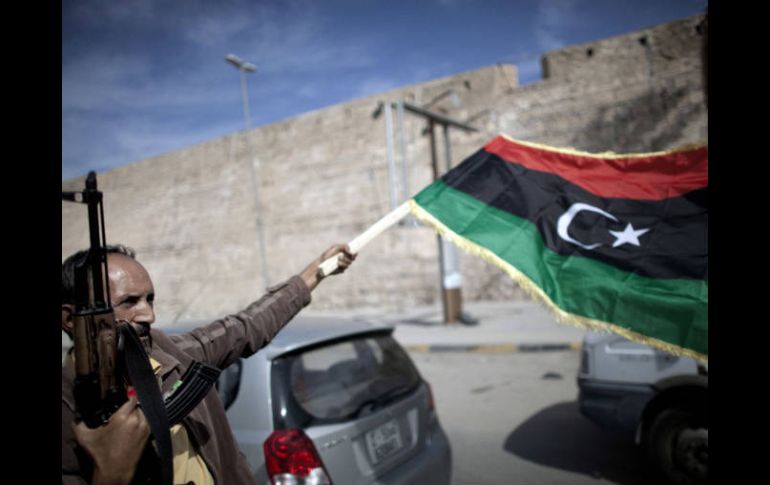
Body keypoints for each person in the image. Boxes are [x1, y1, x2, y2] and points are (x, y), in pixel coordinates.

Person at [62, 243, 356, 485]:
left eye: (150, 300)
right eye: (129, 302)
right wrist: (111, 474)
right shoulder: (68, 408)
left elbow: (246, 326)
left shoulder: (169, 351)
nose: (148, 315)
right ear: (69, 320)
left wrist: (314, 273)